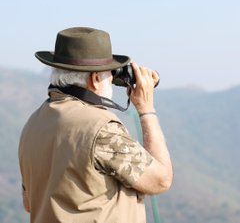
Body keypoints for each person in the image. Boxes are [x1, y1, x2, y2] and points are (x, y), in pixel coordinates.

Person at [18, 27, 173, 223]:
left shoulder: (33, 124)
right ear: (95, 79)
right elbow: (161, 180)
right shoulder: (102, 130)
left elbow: (29, 203)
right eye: (110, 73)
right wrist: (146, 110)